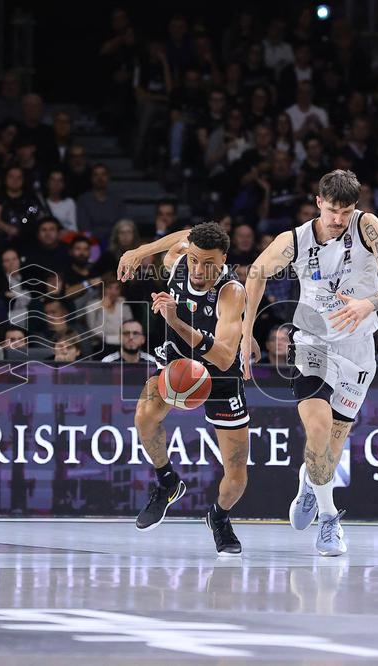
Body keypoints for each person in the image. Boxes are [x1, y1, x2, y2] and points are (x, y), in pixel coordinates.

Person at [241, 170, 378, 556]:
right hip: (312, 343)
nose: (338, 219)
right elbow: (255, 272)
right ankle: (329, 517)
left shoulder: (367, 227)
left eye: (346, 210)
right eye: (332, 209)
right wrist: (246, 332)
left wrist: (368, 303)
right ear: (318, 201)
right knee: (317, 430)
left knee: (331, 449)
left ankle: (310, 483)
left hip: (358, 348)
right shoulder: (296, 239)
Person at [117, 222, 250, 556]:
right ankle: (167, 482)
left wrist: (175, 321)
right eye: (195, 260)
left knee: (236, 479)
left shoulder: (231, 291)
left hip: (221, 378)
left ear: (224, 260)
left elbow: (222, 357)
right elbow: (182, 236)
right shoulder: (178, 261)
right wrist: (139, 251)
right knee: (144, 416)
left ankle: (218, 517)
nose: (200, 269)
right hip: (178, 363)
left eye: (210, 263)